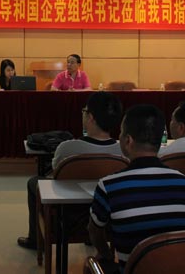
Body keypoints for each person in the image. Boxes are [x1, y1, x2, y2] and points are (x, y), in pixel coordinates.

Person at [88, 104, 185, 272]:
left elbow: (95, 232)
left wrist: (107, 254)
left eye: (121, 132)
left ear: (128, 141)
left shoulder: (109, 186)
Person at [17, 91, 123, 250]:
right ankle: (92, 236)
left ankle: (36, 240)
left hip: (69, 217)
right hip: (107, 215)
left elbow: (56, 173)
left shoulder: (68, 148)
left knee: (34, 182)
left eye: (84, 111)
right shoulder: (123, 151)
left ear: (91, 117)